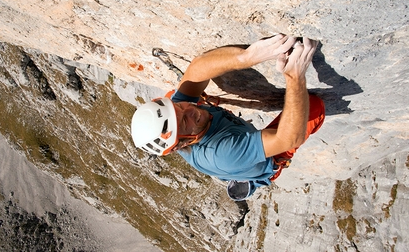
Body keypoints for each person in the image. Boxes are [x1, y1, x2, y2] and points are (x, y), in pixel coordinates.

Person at [131, 34, 325, 200]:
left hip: (230, 158)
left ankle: (238, 174)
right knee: (313, 106)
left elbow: (197, 68)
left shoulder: (177, 120)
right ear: (182, 144)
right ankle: (252, 178)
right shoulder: (222, 153)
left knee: (233, 156)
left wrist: (247, 56)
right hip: (263, 160)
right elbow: (289, 138)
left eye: (177, 106)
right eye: (184, 121)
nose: (190, 109)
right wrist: (294, 76)